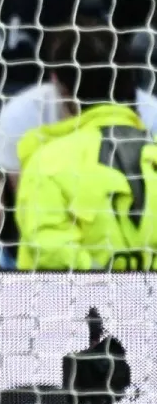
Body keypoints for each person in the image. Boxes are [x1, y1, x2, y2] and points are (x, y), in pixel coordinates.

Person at [15, 26, 157, 270]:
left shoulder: (47, 164)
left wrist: (113, 291)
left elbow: (50, 251)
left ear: (60, 86)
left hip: (75, 308)